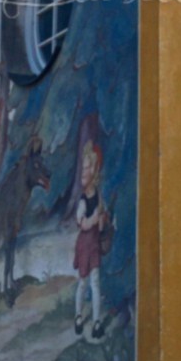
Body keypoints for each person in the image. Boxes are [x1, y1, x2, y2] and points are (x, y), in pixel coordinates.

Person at [73, 141, 107, 339]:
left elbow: (99, 227)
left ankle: (96, 322)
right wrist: (93, 219)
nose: (83, 171)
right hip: (84, 245)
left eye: (87, 167)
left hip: (94, 244)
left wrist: (101, 220)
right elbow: (81, 223)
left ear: (95, 170)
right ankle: (78, 316)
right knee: (83, 282)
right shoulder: (83, 200)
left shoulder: (99, 197)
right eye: (83, 167)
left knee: (95, 282)